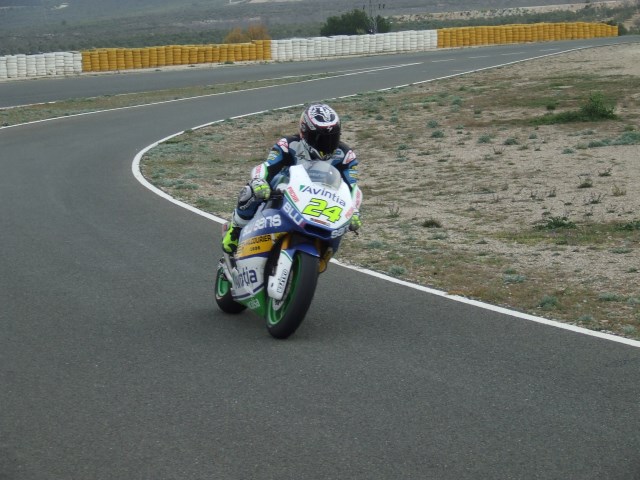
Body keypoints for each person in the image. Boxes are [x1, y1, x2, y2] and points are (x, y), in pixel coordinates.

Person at [221, 103, 362, 254]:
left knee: (344, 224)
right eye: (319, 139)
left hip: (321, 201)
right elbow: (266, 167)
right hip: (286, 192)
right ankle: (236, 229)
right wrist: (259, 180)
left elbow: (352, 188)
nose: (326, 145)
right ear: (304, 133)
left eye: (332, 138)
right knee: (252, 190)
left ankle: (321, 252)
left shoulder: (346, 155)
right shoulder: (288, 145)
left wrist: (354, 210)